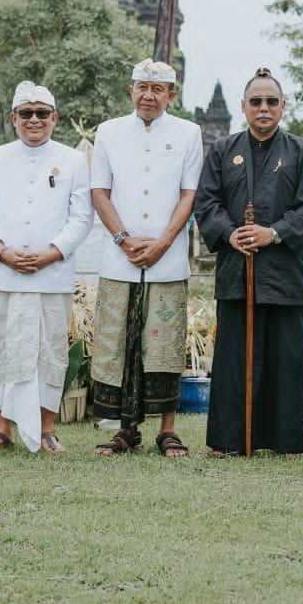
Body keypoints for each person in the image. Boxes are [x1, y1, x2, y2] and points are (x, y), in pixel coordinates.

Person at [196, 68, 303, 457]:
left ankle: (286, 441)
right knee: (235, 360)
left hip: (284, 272)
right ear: (243, 107)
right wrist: (230, 233)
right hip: (238, 269)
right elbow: (207, 201)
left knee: (287, 360)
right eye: (256, 102)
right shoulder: (222, 150)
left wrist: (275, 233)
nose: (264, 108)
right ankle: (228, 440)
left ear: (283, 106)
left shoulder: (302, 152)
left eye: (271, 101)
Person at [89, 58, 203, 457]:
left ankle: (167, 430)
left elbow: (189, 194)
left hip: (167, 259)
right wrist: (123, 238)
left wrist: (162, 243)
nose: (148, 96)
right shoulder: (109, 132)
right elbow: (99, 192)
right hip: (119, 257)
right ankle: (124, 430)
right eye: (142, 87)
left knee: (164, 345)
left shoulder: (189, 133)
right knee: (119, 344)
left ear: (172, 94)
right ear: (131, 90)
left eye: (158, 89)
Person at [0, 81, 92, 453]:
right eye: (26, 113)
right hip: (6, 271)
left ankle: (46, 429)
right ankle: (2, 428)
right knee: (7, 347)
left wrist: (52, 253)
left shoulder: (73, 160)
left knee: (50, 350)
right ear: (14, 118)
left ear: (54, 118)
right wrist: (1, 251)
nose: (34, 120)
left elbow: (82, 216)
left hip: (51, 272)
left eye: (42, 113)